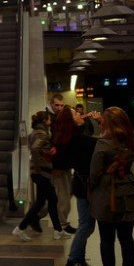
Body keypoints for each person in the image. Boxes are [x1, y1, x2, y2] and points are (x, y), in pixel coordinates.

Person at [90, 106, 134, 266]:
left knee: (106, 239)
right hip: (127, 193)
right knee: (127, 238)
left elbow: (95, 173)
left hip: (107, 194)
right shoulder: (131, 142)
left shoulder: (103, 144)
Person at [11, 110, 71, 242]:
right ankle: (20, 228)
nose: (51, 121)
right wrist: (40, 165)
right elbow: (35, 149)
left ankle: (58, 230)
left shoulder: (34, 132)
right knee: (49, 201)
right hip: (41, 172)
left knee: (43, 202)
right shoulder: (43, 134)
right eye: (49, 119)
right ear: (45, 121)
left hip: (39, 172)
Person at [57, 106, 101, 266]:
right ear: (71, 122)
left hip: (82, 186)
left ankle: (79, 261)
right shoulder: (78, 140)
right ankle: (73, 261)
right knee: (86, 226)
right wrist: (101, 123)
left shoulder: (72, 138)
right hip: (85, 188)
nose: (80, 113)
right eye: (75, 114)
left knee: (87, 225)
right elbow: (102, 144)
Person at [47, 93, 75, 233]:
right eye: (57, 105)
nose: (59, 108)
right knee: (63, 196)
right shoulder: (49, 120)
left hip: (64, 163)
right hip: (58, 165)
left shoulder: (60, 120)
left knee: (60, 195)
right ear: (51, 104)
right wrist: (54, 165)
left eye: (61, 105)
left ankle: (34, 216)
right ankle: (62, 224)